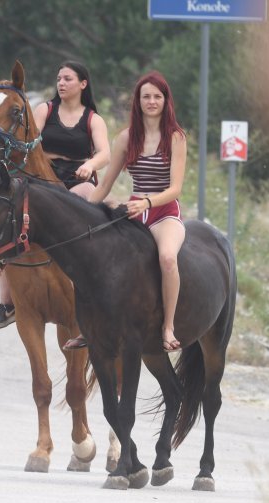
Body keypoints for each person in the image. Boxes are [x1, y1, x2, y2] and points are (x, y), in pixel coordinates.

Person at [62, 70, 187, 351]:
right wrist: (84, 215)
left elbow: (175, 188)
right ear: (138, 101)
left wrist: (147, 202)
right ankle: (92, 324)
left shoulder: (176, 138)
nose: (152, 101)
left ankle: (168, 326)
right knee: (99, 259)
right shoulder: (126, 138)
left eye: (157, 96)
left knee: (167, 258)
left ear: (166, 101)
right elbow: (105, 185)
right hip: (133, 213)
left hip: (164, 212)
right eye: (146, 97)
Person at [0, 60, 110, 330]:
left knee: (89, 194)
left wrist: (89, 165)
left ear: (83, 84)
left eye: (67, 78)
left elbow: (105, 153)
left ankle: (90, 284)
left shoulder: (93, 119)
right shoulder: (45, 109)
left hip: (76, 177)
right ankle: (6, 302)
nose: (61, 83)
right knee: (8, 215)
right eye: (59, 79)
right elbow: (30, 136)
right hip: (43, 175)